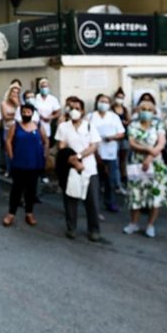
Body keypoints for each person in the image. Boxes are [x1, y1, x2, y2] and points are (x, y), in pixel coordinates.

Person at [122, 99, 167, 238]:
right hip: (137, 163)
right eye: (143, 109)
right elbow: (132, 143)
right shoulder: (133, 125)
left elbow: (161, 143)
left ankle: (150, 225)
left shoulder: (158, 124)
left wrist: (150, 156)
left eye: (149, 110)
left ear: (154, 112)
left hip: (155, 163)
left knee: (154, 194)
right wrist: (147, 149)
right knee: (136, 194)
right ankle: (133, 223)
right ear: (138, 111)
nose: (146, 112)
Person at [56, 97, 102, 241]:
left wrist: (79, 155)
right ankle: (71, 227)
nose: (74, 111)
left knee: (92, 200)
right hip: (70, 167)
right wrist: (73, 159)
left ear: (82, 111)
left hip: (89, 168)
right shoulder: (63, 126)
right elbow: (62, 146)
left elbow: (93, 146)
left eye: (77, 108)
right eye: (71, 108)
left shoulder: (89, 126)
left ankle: (94, 229)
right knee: (70, 198)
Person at [3, 103, 48, 227]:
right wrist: (11, 156)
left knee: (31, 190)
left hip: (34, 164)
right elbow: (8, 140)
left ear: (32, 113)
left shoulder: (38, 126)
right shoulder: (15, 126)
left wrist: (44, 154)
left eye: (28, 112)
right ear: (21, 113)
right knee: (16, 189)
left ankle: (29, 213)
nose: (26, 114)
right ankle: (11, 214)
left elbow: (46, 140)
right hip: (19, 163)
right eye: (24, 112)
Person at [89, 94, 125, 212]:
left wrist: (112, 137)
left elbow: (121, 133)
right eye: (101, 101)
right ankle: (94, 205)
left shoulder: (114, 117)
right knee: (95, 180)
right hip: (94, 152)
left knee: (111, 180)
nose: (103, 104)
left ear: (109, 104)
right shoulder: (91, 116)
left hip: (110, 153)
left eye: (105, 102)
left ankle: (110, 202)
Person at [113, 88, 132, 191]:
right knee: (115, 160)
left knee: (124, 160)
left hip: (124, 136)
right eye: (118, 97)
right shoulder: (111, 109)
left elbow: (129, 120)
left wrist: (126, 122)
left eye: (121, 97)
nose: (119, 99)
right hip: (114, 137)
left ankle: (124, 180)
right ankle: (117, 182)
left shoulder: (125, 109)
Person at [34, 78, 61, 143]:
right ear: (39, 88)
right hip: (35, 124)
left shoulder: (53, 99)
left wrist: (50, 117)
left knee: (46, 142)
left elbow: (58, 112)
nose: (44, 88)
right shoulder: (35, 98)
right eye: (42, 87)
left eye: (46, 86)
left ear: (49, 87)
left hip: (47, 125)